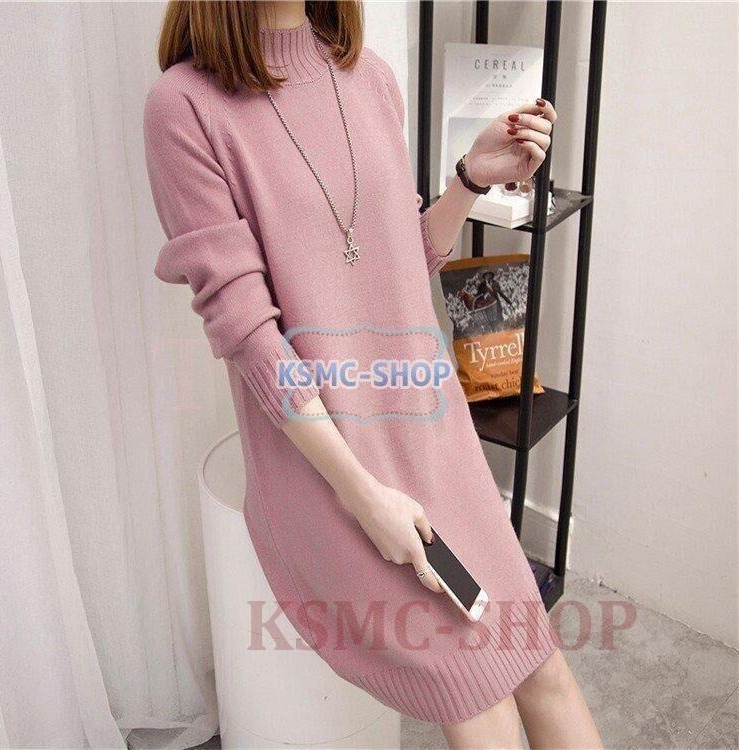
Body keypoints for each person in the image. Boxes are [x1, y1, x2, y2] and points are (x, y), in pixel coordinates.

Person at [143, 2, 602, 747]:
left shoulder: (371, 78)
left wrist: (468, 181)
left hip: (434, 442)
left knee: (541, 667)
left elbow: (396, 264)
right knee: (477, 696)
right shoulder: (184, 106)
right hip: (326, 469)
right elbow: (250, 335)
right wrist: (364, 497)